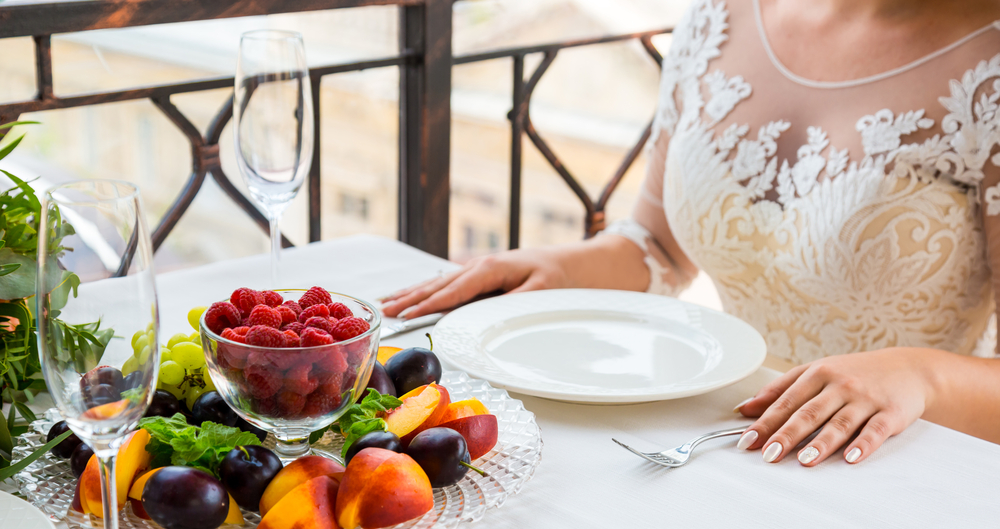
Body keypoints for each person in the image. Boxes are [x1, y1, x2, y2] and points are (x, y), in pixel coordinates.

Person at [382, 0, 1000, 466]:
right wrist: (561, 268)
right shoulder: (719, 17)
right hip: (707, 437)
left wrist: (923, 375)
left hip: (894, 463)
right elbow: (657, 247)